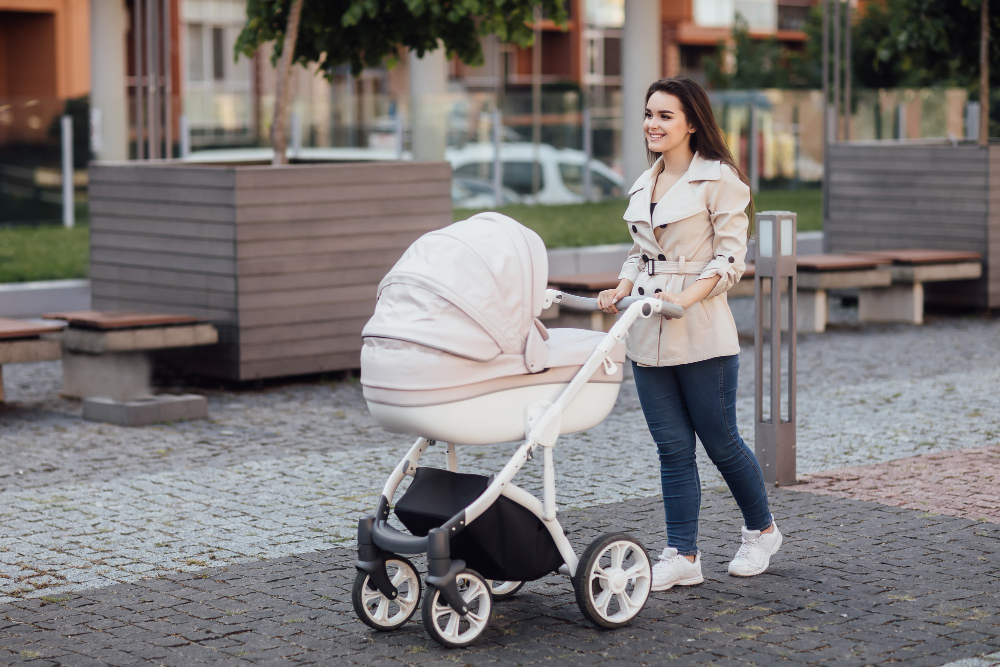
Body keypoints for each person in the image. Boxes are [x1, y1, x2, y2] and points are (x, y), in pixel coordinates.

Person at [597, 77, 782, 591]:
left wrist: (686, 297)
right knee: (672, 448)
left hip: (701, 331)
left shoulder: (720, 179)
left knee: (721, 442)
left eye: (665, 116)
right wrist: (621, 286)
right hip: (646, 331)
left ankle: (761, 531)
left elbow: (730, 258)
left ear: (692, 123)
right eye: (648, 114)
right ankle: (682, 553)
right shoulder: (644, 183)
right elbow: (641, 252)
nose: (652, 125)